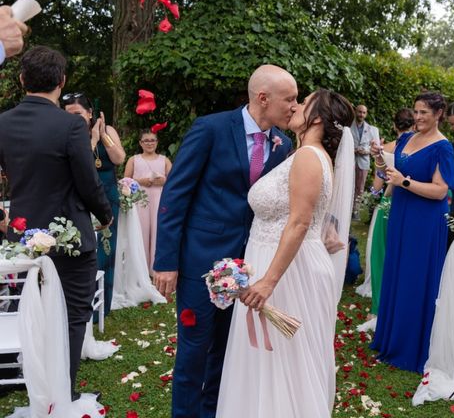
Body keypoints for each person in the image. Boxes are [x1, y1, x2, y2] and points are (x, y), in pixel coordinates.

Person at [153, 64, 296, 417]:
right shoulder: (210, 129)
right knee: (193, 351)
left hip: (249, 265)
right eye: (289, 99)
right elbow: (176, 194)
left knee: (227, 352)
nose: (295, 105)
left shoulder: (284, 144)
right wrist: (166, 261)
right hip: (200, 263)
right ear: (263, 98)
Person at [217, 88, 355, 418]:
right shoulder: (306, 153)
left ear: (318, 117)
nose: (294, 106)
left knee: (286, 363)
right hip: (281, 259)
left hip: (288, 270)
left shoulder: (309, 156)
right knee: (276, 361)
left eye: (303, 102)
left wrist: (268, 282)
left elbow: (299, 222)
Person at [0, 46, 112, 398]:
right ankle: (61, 390)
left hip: (22, 237)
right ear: (61, 82)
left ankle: (36, 383)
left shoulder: (1, 123)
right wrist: (105, 215)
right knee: (74, 312)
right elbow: (87, 181)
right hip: (72, 239)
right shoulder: (70, 125)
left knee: (31, 309)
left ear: (21, 80)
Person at [370, 92, 454, 373]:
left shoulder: (443, 147)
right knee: (395, 272)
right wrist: (379, 160)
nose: (418, 117)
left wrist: (405, 182)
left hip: (425, 220)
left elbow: (441, 190)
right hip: (401, 214)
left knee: (414, 277)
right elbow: (387, 175)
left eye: (424, 113)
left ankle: (409, 346)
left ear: (438, 114)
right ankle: (389, 338)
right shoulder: (406, 139)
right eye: (416, 112)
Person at [62, 93, 126, 317]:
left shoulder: (108, 131)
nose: (74, 118)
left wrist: (101, 135)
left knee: (106, 251)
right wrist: (89, 142)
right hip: (79, 198)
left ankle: (103, 305)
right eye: (68, 114)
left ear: (90, 114)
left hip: (106, 196)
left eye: (78, 114)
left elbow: (119, 159)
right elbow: (79, 166)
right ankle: (82, 303)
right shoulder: (67, 134)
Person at [360, 107, 414, 329]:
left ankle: (378, 309)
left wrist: (372, 198)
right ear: (413, 125)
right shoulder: (415, 149)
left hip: (388, 206)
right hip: (407, 206)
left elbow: (379, 181)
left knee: (381, 257)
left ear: (394, 126)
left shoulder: (389, 148)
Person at [124, 130, 172, 272]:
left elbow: (175, 182)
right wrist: (140, 181)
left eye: (152, 140)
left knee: (158, 232)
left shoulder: (165, 160)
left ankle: (156, 269)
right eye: (146, 140)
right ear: (140, 143)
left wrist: (164, 181)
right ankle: (140, 270)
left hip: (159, 201)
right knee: (141, 232)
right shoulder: (134, 159)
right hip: (140, 202)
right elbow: (124, 181)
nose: (150, 143)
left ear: (157, 142)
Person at [350, 104, 379, 216]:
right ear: (355, 112)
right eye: (359, 112)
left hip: (363, 162)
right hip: (350, 160)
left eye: (363, 112)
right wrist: (353, 149)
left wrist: (365, 151)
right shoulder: (348, 126)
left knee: (360, 187)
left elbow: (374, 148)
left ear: (366, 114)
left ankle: (355, 211)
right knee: (349, 185)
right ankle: (346, 209)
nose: (361, 114)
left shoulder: (371, 129)